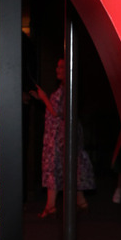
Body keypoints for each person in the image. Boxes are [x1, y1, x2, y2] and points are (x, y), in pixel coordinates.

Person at [31, 58, 95, 218]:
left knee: (59, 166)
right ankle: (78, 203)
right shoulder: (65, 88)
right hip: (59, 135)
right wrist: (42, 98)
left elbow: (60, 112)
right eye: (57, 66)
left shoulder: (69, 89)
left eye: (61, 67)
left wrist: (44, 98)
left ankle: (52, 206)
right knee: (65, 167)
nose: (57, 69)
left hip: (62, 135)